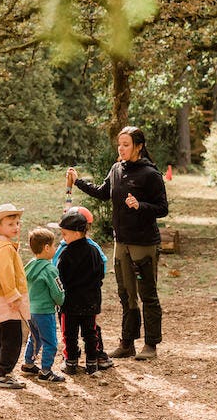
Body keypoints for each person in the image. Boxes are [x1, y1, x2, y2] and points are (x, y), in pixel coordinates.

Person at [70, 125, 169, 361]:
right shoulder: (116, 169)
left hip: (143, 244)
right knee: (126, 293)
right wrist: (78, 182)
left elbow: (163, 208)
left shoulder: (150, 174)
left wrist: (141, 206)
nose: (121, 149)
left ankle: (151, 345)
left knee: (148, 294)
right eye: (120, 144)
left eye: (126, 145)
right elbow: (104, 192)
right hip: (121, 241)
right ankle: (127, 343)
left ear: (139, 146)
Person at [53, 206, 112, 371]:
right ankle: (92, 362)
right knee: (90, 333)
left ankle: (71, 361)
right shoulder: (94, 251)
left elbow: (59, 276)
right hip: (91, 302)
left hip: (70, 303)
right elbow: (100, 273)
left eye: (65, 234)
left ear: (77, 233)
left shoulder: (65, 254)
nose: (63, 238)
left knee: (69, 334)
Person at [0, 203, 30, 389]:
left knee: (0, 336)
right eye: (10, 224)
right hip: (8, 301)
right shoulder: (5, 248)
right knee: (13, 339)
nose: (16, 227)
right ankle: (4, 374)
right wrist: (13, 297)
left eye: (17, 223)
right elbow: (6, 274)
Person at [19, 227, 66, 382]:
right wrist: (61, 301)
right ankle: (46, 371)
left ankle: (28, 364)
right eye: (53, 246)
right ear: (46, 247)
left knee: (35, 338)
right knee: (50, 342)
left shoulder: (30, 265)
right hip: (45, 311)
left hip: (30, 310)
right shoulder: (50, 269)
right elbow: (57, 292)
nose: (54, 249)